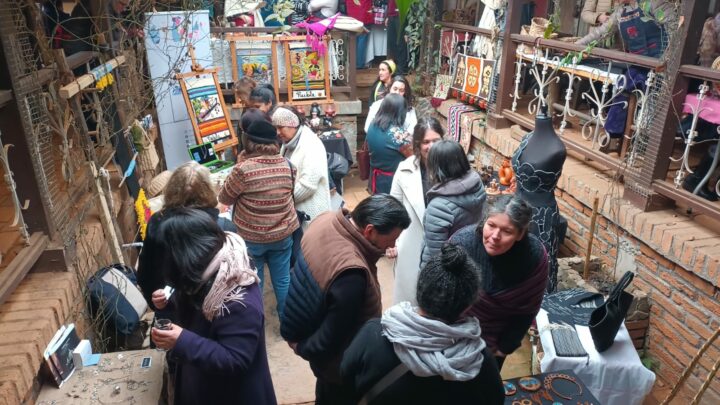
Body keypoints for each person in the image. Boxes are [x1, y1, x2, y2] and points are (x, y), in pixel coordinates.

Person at [282, 194, 411, 405]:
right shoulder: (351, 274)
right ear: (370, 230)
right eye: (392, 239)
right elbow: (330, 337)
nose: (393, 244)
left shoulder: (325, 220)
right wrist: (301, 348)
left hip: (314, 347)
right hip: (340, 368)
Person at [340, 244, 504, 405]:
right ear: (468, 305)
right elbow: (496, 399)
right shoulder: (477, 360)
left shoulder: (373, 335)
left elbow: (345, 379)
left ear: (419, 289)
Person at [150, 208, 276, 405]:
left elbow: (235, 358)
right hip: (203, 384)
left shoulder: (238, 298)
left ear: (188, 254)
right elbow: (196, 314)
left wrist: (182, 340)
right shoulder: (205, 274)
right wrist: (167, 304)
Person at [449, 195, 549, 370]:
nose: (495, 236)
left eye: (507, 231)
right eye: (491, 225)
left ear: (520, 234)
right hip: (455, 335)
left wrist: (504, 348)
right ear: (484, 221)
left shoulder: (533, 258)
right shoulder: (462, 244)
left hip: (497, 343)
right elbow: (442, 291)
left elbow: (528, 310)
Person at [218, 118, 299, 318]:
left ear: (248, 141)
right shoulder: (288, 166)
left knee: (255, 282)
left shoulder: (243, 170)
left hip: (251, 237)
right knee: (283, 280)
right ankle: (287, 322)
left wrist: (240, 163)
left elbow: (225, 198)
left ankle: (257, 322)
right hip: (282, 235)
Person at [576, 0, 679, 153]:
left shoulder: (654, 4)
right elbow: (601, 32)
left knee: (651, 100)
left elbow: (676, 32)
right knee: (622, 88)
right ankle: (615, 135)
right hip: (639, 63)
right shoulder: (621, 11)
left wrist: (666, 60)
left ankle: (643, 141)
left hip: (661, 66)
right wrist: (576, 46)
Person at [137, 161, 236, 308]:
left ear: (170, 191)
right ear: (208, 191)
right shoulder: (224, 227)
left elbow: (146, 274)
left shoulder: (157, 223)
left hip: (173, 308)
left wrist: (157, 303)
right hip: (218, 308)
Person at [388, 117, 444, 305]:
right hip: (411, 241)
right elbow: (394, 206)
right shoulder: (405, 169)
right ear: (418, 145)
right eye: (426, 142)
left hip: (443, 243)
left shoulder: (452, 168)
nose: (431, 146)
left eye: (436, 140)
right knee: (409, 299)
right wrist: (391, 240)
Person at [420, 140, 485, 268]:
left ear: (437, 167)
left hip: (444, 269)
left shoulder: (439, 206)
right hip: (468, 259)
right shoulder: (476, 185)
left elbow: (436, 254)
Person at [272, 105, 331, 223]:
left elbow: (307, 185)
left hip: (312, 214)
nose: (277, 132)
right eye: (276, 128)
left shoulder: (311, 145)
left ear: (293, 124)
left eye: (281, 127)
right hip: (295, 210)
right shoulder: (289, 142)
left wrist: (281, 200)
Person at [366, 93, 413, 194]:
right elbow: (414, 158)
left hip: (376, 176)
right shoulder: (398, 135)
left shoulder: (373, 124)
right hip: (392, 180)